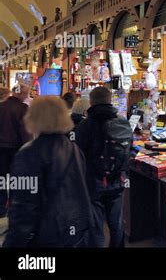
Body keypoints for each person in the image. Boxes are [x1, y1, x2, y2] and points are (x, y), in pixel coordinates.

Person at [3, 96, 93, 247]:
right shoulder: (73, 148)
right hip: (77, 227)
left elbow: (23, 205)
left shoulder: (28, 154)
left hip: (47, 233)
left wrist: (13, 241)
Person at [74, 87, 133, 248]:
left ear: (91, 102)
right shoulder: (123, 122)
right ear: (110, 100)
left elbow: (79, 154)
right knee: (116, 222)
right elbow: (130, 149)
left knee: (96, 224)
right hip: (118, 180)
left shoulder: (85, 125)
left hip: (93, 182)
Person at [0, 84, 31, 217]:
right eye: (26, 94)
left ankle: (1, 207)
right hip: (16, 150)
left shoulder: (1, 106)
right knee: (16, 179)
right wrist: (29, 148)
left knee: (1, 178)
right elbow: (25, 131)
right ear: (21, 94)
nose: (27, 97)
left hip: (1, 149)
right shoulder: (23, 109)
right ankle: (13, 206)